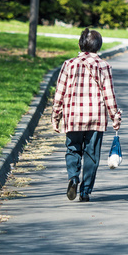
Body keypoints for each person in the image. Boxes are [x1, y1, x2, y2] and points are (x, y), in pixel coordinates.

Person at [52, 28, 121, 202]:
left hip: (73, 116)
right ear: (99, 46)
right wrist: (115, 116)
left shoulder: (69, 64)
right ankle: (85, 191)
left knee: (73, 148)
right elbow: (109, 94)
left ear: (80, 44)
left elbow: (59, 92)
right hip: (96, 117)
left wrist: (56, 116)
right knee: (92, 154)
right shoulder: (104, 66)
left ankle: (73, 177)